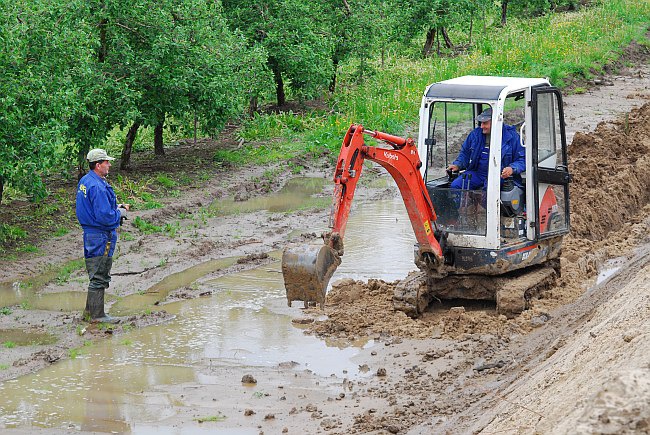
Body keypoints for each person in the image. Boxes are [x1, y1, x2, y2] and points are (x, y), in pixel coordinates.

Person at [76, 149, 129, 323]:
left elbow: (95, 207)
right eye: (107, 162)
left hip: (91, 233)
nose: (110, 165)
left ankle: (89, 312)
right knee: (100, 274)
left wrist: (116, 206)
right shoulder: (98, 186)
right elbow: (104, 216)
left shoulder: (86, 181)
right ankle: (98, 316)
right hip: (100, 235)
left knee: (95, 273)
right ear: (98, 165)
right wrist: (119, 213)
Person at [446, 107, 525, 191]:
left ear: (496, 122)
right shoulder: (475, 135)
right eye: (481, 123)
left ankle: (481, 204)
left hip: (500, 176)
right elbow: (465, 154)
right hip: (478, 173)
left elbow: (523, 160)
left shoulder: (513, 137)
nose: (482, 126)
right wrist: (457, 165)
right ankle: (464, 204)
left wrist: (511, 169)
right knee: (456, 185)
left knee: (489, 191)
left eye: (485, 123)